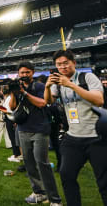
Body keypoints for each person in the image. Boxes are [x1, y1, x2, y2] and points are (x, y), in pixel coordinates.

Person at [45, 50, 106, 206]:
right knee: (66, 175)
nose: (63, 67)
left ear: (74, 63)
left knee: (104, 181)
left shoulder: (87, 77)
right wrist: (47, 87)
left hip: (96, 138)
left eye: (66, 63)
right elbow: (49, 101)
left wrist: (70, 84)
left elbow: (99, 100)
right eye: (59, 64)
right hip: (73, 138)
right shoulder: (58, 82)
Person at [10, 61, 62, 206]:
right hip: (23, 129)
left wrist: (24, 93)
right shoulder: (18, 87)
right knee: (29, 164)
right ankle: (39, 193)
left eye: (27, 72)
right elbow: (13, 107)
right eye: (22, 73)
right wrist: (15, 92)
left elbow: (42, 103)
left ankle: (55, 200)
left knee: (42, 163)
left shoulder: (39, 86)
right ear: (18, 74)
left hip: (39, 129)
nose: (25, 75)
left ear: (33, 72)